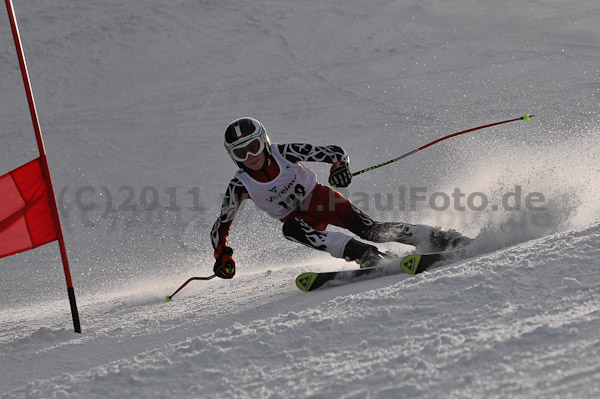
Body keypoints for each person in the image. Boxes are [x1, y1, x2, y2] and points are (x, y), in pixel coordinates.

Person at [211, 117, 471, 279]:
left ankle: (439, 237)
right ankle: (365, 255)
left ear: (265, 142)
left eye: (254, 147)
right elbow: (221, 225)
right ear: (233, 156)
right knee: (291, 229)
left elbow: (333, 152)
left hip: (322, 199)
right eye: (241, 153)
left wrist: (340, 167)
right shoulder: (240, 185)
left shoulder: (284, 153)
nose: (250, 157)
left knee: (371, 229)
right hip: (299, 220)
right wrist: (222, 255)